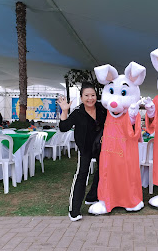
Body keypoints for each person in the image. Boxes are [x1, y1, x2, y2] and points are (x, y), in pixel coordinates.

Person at [58, 82, 107, 221]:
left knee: (102, 171)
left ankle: (92, 196)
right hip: (85, 149)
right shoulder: (78, 112)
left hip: (101, 147)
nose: (90, 98)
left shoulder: (102, 108)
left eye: (92, 95)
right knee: (82, 175)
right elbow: (63, 127)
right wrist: (65, 111)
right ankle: (74, 210)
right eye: (86, 95)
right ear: (81, 97)